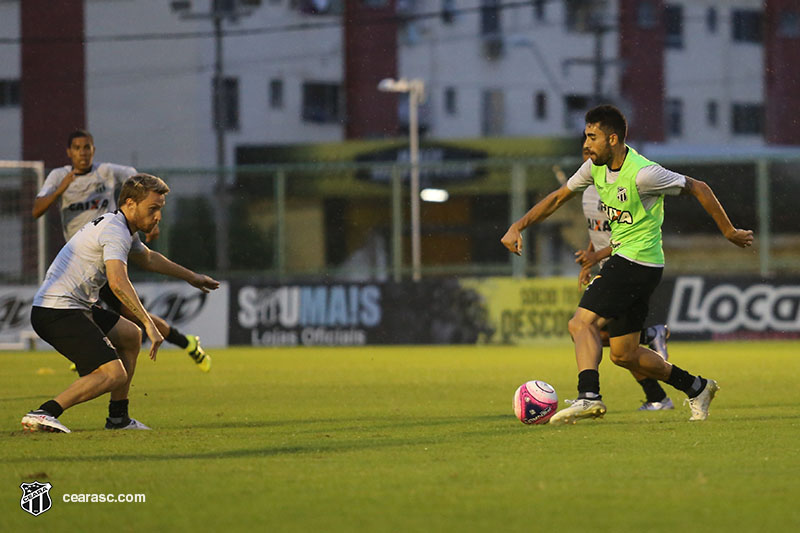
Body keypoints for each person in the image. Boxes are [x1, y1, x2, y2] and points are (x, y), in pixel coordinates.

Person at [502, 104, 753, 423]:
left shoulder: (644, 173)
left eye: (592, 137)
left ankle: (588, 395)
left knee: (580, 323)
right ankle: (696, 387)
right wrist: (518, 226)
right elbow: (556, 198)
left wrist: (729, 231)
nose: (585, 144)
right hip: (632, 263)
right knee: (624, 354)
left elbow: (699, 188)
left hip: (636, 261)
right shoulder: (594, 168)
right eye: (585, 136)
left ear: (613, 139)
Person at [22, 174, 219, 433]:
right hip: (57, 311)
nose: (158, 216)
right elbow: (117, 283)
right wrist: (150, 323)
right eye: (153, 208)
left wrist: (192, 277)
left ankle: (118, 418)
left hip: (74, 307)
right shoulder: (115, 231)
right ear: (130, 204)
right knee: (113, 374)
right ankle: (44, 413)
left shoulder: (121, 226)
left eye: (160, 209)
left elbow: (148, 259)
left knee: (129, 335)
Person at [32, 129, 212, 372]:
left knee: (131, 314)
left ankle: (180, 343)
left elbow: (138, 182)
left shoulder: (106, 172)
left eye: (87, 147)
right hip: (83, 262)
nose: (83, 153)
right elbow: (36, 210)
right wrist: (62, 188)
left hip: (109, 256)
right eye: (77, 148)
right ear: (69, 152)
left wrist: (149, 214)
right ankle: (180, 342)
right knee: (126, 315)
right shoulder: (59, 176)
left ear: (93, 150)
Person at [573, 142, 673, 411]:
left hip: (626, 267)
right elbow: (601, 232)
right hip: (609, 268)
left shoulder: (622, 189)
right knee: (620, 348)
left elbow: (624, 235)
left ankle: (590, 395)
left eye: (592, 153)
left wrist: (597, 258)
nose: (590, 159)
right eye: (585, 155)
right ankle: (658, 396)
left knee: (585, 329)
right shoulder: (588, 193)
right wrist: (590, 258)